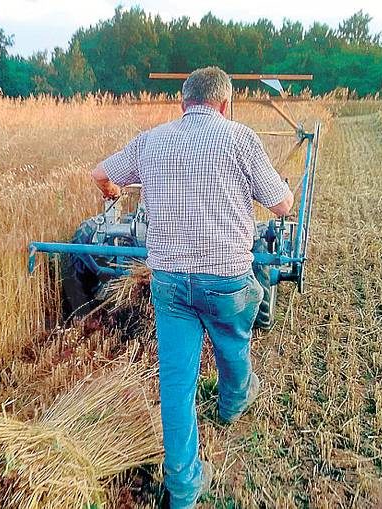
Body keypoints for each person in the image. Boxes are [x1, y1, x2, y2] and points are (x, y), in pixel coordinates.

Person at [90, 66, 293, 508]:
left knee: (176, 383)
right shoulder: (241, 139)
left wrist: (111, 194)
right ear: (225, 104)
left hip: (169, 285)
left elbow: (101, 173)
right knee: (233, 347)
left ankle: (183, 487)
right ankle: (232, 403)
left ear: (183, 105)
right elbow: (282, 203)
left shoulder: (151, 141)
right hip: (225, 279)